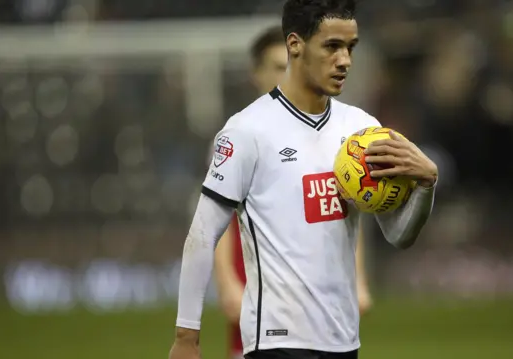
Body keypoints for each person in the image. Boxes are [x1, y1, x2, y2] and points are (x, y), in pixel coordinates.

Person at [169, 1, 438, 359]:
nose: (345, 60)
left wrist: (425, 186)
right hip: (276, 341)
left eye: (350, 47)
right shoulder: (247, 130)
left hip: (343, 340)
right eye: (332, 46)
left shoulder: (362, 131)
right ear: (295, 45)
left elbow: (398, 235)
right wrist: (187, 336)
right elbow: (202, 236)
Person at [212, 25, 374, 359]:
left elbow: (341, 213)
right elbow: (215, 220)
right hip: (262, 298)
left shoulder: (332, 136)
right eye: (275, 67)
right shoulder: (239, 136)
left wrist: (358, 280)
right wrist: (227, 283)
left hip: (322, 300)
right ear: (255, 74)